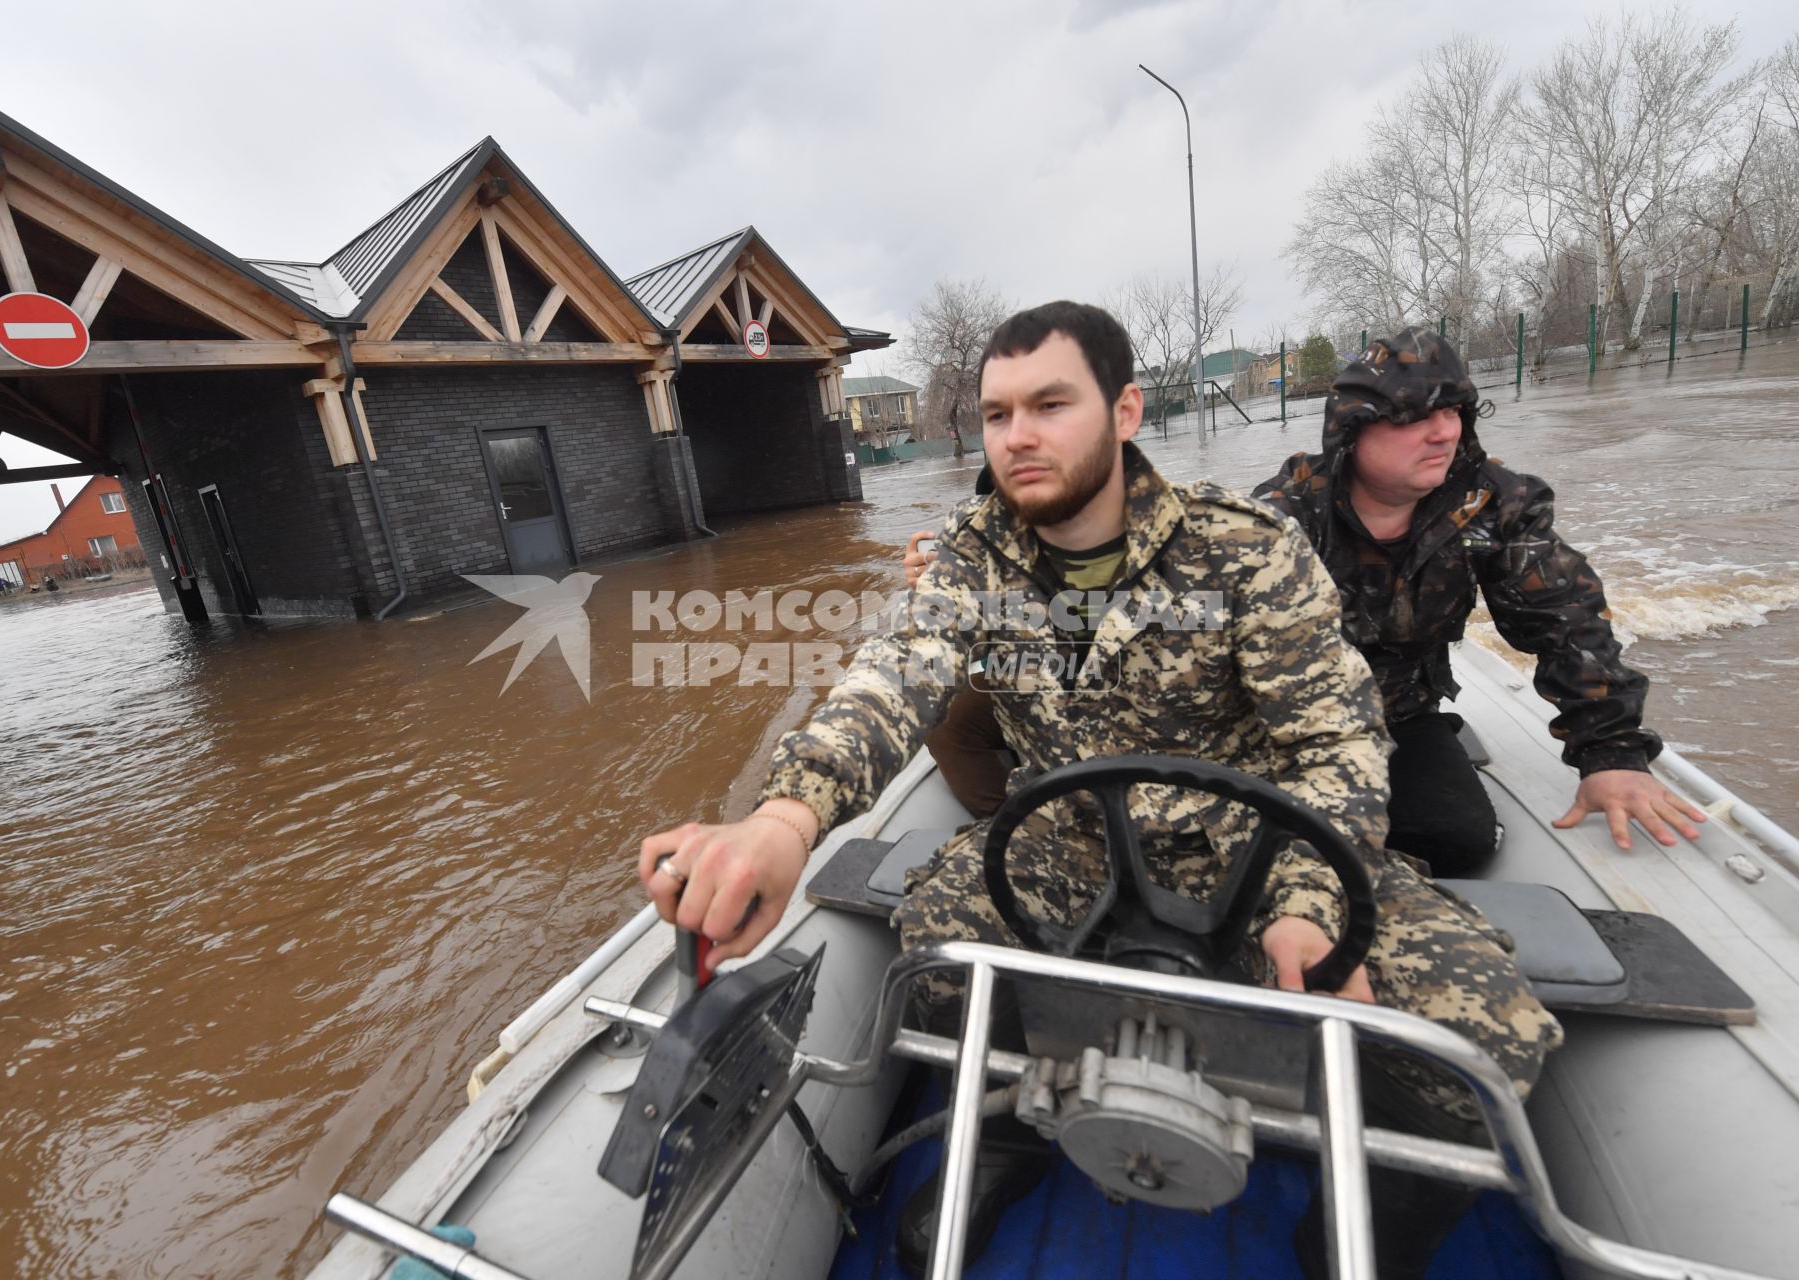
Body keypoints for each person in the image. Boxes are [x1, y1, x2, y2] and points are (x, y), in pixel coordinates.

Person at [639, 302, 1560, 1278]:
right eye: (997, 413)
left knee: (1484, 1025)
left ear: (1123, 411)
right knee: (940, 937)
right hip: (1064, 852)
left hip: (1257, 855)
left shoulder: (1247, 548)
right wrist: (787, 818)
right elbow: (893, 675)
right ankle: (1010, 1132)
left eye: (1049, 403)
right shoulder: (973, 559)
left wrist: (1312, 901)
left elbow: (1336, 737)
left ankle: (1381, 1200)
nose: (1018, 434)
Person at [1255, 328, 1704, 873]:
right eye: (1415, 416)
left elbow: (1566, 620)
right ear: (1353, 428)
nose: (1443, 432)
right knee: (1252, 838)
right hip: (1282, 724)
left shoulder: (1491, 505)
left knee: (1456, 840)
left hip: (1399, 716)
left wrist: (1610, 753)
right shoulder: (1283, 516)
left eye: (1456, 412)